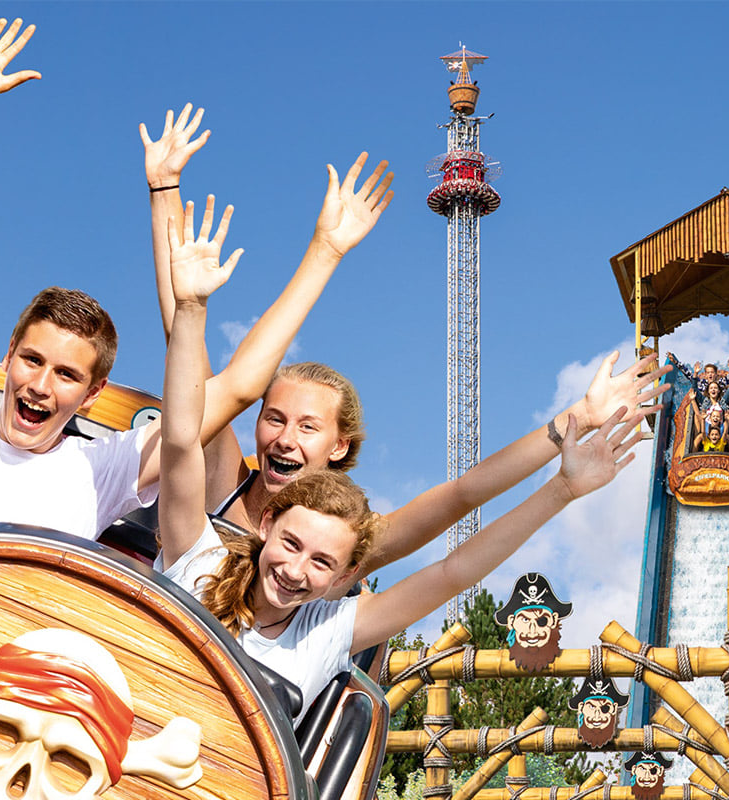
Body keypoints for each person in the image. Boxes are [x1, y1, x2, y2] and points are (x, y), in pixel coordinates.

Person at [0, 20, 390, 540]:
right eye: (33, 360)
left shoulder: (102, 469)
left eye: (67, 374)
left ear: (93, 393)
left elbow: (239, 387)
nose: (40, 385)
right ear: (9, 354)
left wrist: (325, 251)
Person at [143, 106, 672, 585]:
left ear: (339, 445)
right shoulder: (223, 481)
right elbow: (182, 340)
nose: (284, 439)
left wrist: (578, 418)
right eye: (275, 419)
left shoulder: (351, 540)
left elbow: (463, 494)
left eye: (307, 427)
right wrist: (164, 187)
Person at [154, 207, 645, 717]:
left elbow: (455, 547)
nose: (296, 569)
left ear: (344, 575)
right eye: (274, 419)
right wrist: (187, 294)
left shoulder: (326, 622)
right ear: (267, 526)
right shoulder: (201, 556)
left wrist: (567, 459)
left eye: (322, 561)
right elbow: (185, 424)